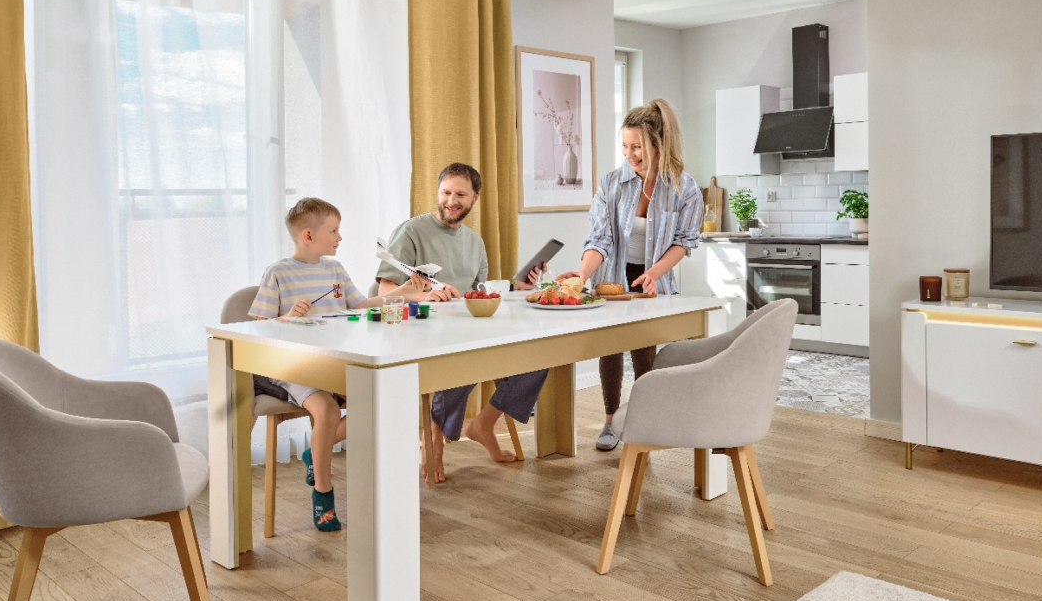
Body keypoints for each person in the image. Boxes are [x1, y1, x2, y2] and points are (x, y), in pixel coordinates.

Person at [250, 197, 427, 531]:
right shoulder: (278, 273)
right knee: (328, 411)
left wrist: (405, 291)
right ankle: (323, 493)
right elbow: (259, 326)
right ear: (308, 235)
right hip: (296, 366)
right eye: (333, 231)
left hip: (335, 363)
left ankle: (314, 453)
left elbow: (361, 305)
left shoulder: (335, 270)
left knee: (380, 402)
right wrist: (287, 318)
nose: (340, 237)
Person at [375, 162, 546, 483]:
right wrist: (425, 296)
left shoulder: (475, 243)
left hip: (465, 328)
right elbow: (385, 293)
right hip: (420, 329)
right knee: (463, 357)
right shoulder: (411, 232)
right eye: (445, 193)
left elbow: (476, 295)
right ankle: (433, 437)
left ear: (474, 198)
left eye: (460, 195)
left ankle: (483, 424)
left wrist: (516, 287)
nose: (451, 201)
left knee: (537, 356)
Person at [557, 99, 703, 451]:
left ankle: (643, 421)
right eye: (624, 146)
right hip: (612, 277)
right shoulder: (612, 184)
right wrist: (582, 274)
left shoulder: (685, 189)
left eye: (636, 147)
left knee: (644, 351)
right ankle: (610, 421)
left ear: (659, 144)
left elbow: (684, 242)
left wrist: (654, 272)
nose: (629, 155)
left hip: (653, 279)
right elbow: (600, 238)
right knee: (610, 348)